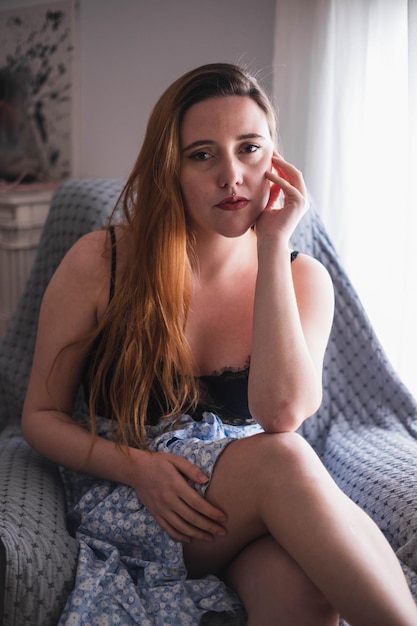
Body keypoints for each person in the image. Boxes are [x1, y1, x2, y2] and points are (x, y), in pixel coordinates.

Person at [22, 63, 417, 626]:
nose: (232, 176)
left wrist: (275, 246)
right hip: (141, 497)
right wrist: (138, 468)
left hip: (246, 509)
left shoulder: (304, 279)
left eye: (250, 149)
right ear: (170, 168)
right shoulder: (100, 261)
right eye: (202, 154)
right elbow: (39, 415)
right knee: (284, 458)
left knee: (304, 598)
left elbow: (281, 412)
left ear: (276, 162)